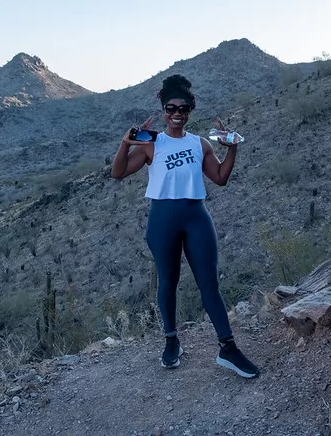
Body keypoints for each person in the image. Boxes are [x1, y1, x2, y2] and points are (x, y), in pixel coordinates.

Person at [110, 74, 260, 378]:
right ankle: (171, 342)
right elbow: (119, 173)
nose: (177, 114)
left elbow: (219, 177)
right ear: (164, 110)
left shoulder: (199, 143)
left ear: (190, 111)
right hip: (162, 218)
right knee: (168, 283)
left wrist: (231, 147)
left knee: (209, 284)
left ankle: (228, 349)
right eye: (171, 109)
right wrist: (125, 145)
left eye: (183, 109)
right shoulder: (152, 142)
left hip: (196, 216)